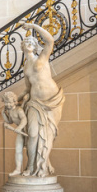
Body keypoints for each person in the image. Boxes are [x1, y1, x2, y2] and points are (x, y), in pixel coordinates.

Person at [20, 23, 64, 177]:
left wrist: (32, 26)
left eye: (31, 42)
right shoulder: (26, 67)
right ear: (22, 47)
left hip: (52, 101)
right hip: (34, 102)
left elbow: (50, 40)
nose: (28, 44)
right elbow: (27, 88)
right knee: (32, 134)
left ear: (35, 46)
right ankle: (30, 166)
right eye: (26, 42)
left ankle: (42, 165)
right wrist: (16, 100)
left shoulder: (42, 58)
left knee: (48, 134)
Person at [1, 91, 28, 176]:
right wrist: (3, 114)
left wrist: (19, 127)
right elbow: (10, 121)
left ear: (14, 101)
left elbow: (24, 119)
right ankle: (18, 169)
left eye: (9, 102)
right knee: (18, 149)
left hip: (26, 131)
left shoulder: (18, 110)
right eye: (6, 102)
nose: (7, 105)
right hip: (20, 132)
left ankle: (31, 168)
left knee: (30, 150)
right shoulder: (9, 111)